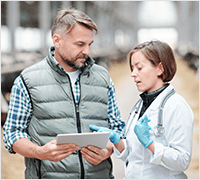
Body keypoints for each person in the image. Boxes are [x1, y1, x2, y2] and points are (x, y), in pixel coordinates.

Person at [3, 8, 125, 179]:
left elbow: (117, 127)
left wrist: (109, 150)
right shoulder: (27, 80)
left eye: (90, 44)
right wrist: (40, 152)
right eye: (80, 44)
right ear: (57, 40)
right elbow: (12, 133)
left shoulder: (102, 77)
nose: (87, 52)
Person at [90, 40, 194, 179]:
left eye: (139, 68)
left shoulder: (176, 106)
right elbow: (134, 154)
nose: (133, 74)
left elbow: (182, 161)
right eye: (132, 68)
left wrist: (150, 144)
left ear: (160, 68)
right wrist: (117, 141)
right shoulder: (140, 105)